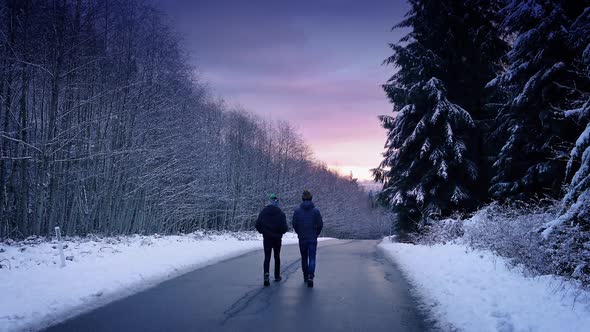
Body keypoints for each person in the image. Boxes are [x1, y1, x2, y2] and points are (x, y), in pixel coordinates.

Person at [255, 193, 288, 287]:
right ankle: (277, 276)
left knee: (267, 257)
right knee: (277, 256)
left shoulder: (264, 212)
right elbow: (285, 228)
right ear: (277, 202)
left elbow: (257, 224)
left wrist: (263, 232)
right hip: (277, 238)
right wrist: (280, 232)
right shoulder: (281, 213)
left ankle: (266, 275)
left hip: (267, 238)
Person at [292, 190, 323, 288]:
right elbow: (320, 224)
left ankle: (305, 275)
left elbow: (294, 224)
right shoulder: (316, 211)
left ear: (302, 198)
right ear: (311, 198)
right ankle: (311, 276)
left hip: (302, 238)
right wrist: (316, 233)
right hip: (312, 237)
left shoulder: (297, 211)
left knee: (304, 257)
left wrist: (299, 232)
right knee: (312, 257)